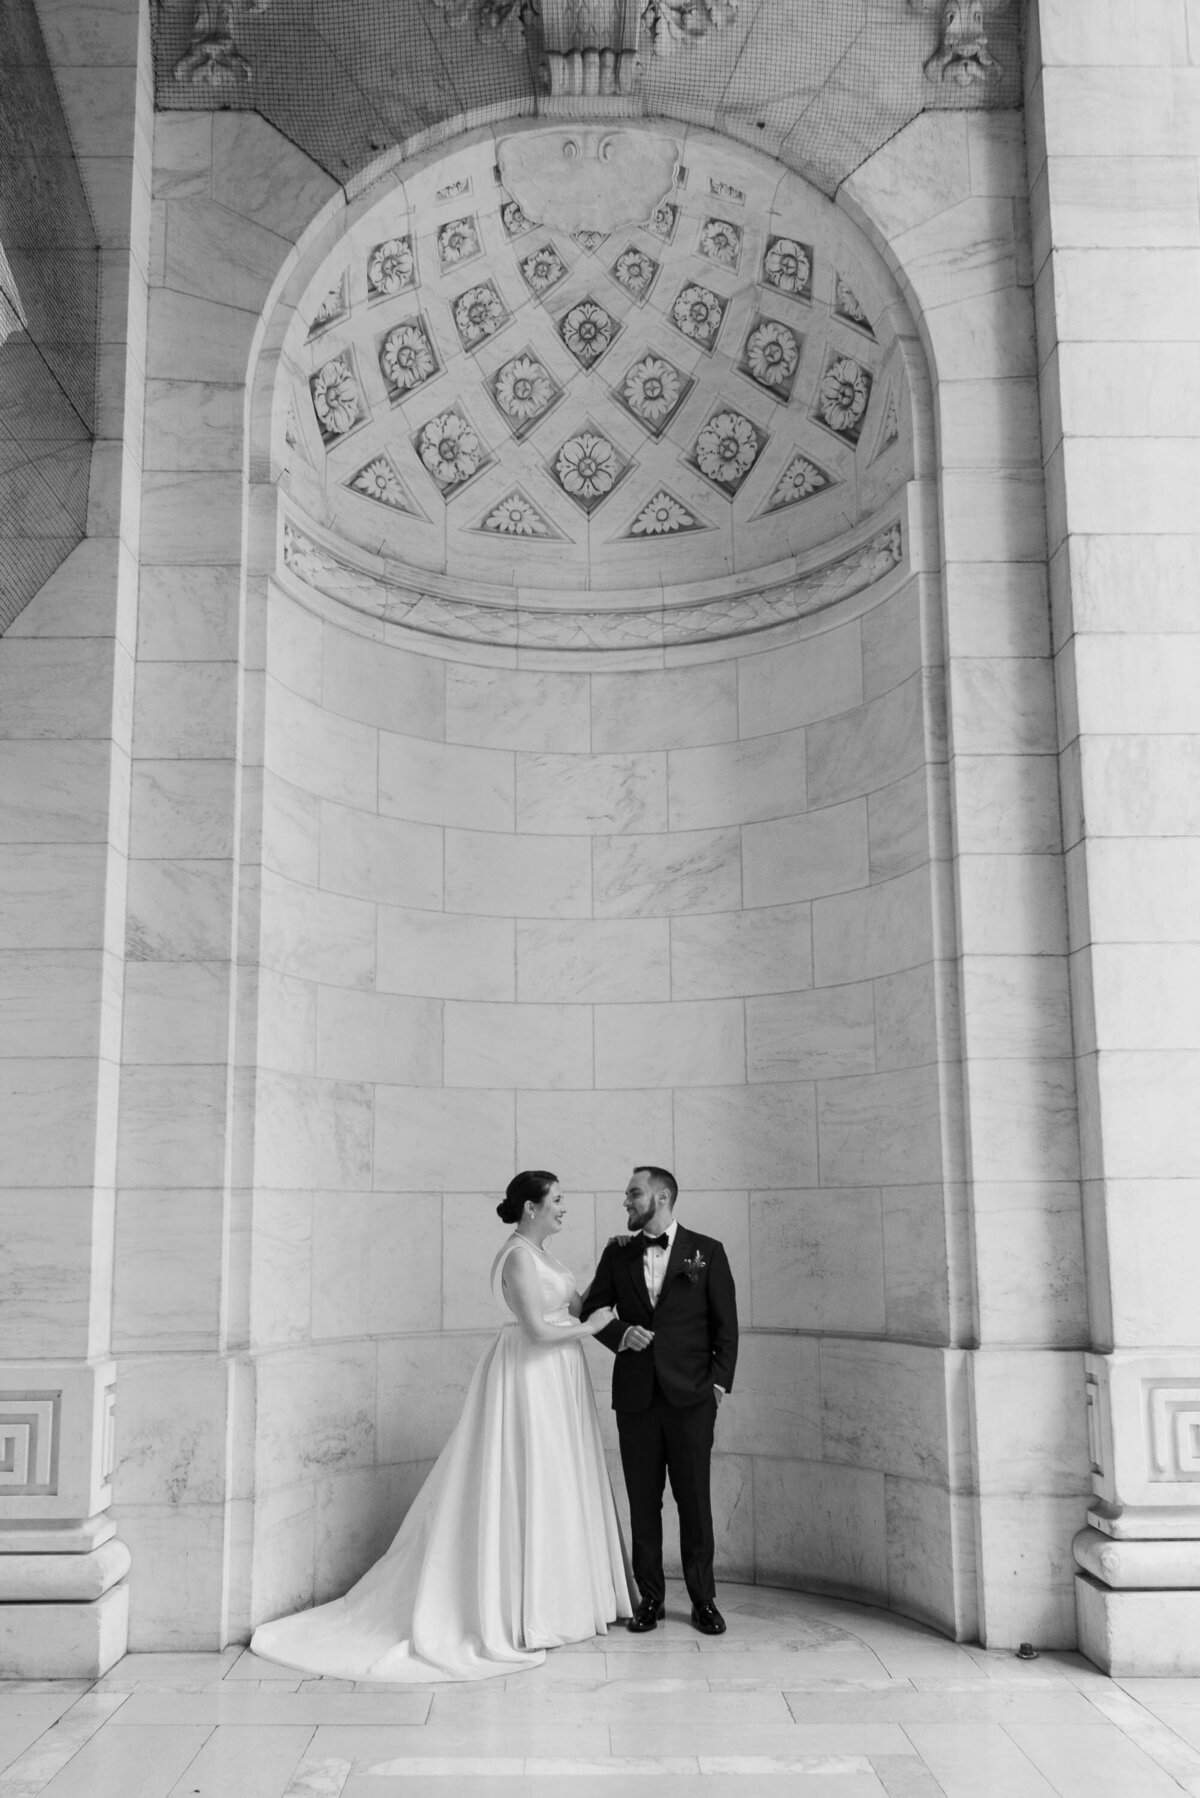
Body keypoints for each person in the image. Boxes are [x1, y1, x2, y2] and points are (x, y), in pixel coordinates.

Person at [249, 1171, 634, 1681]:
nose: (565, 1207)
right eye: (557, 1200)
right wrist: (589, 1330)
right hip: (530, 1376)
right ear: (530, 1208)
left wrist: (615, 1258)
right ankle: (527, 1610)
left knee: (558, 1477)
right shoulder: (517, 1256)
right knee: (531, 1475)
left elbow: (578, 1303)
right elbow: (539, 1331)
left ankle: (563, 1600)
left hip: (557, 1380)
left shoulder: (545, 1257)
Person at [581, 1165, 738, 1636]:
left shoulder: (707, 1252)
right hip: (636, 1399)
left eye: (634, 1194)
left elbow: (726, 1326)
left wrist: (717, 1385)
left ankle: (703, 1600)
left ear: (662, 1197)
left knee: (694, 1502)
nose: (626, 1202)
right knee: (642, 1502)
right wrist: (620, 1333)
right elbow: (590, 1309)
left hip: (692, 1398)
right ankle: (649, 1598)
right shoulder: (618, 1253)